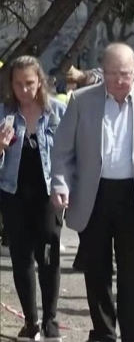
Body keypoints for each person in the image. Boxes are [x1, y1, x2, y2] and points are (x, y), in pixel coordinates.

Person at [51, 42, 134, 342]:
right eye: (113, 73)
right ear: (102, 72)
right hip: (94, 194)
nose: (120, 79)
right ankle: (104, 332)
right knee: (96, 268)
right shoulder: (81, 100)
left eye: (126, 73)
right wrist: (60, 184)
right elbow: (63, 150)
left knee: (132, 269)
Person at [0, 55, 66, 342]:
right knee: (21, 258)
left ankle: (50, 320)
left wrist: (66, 187)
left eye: (29, 83)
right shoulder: (3, 113)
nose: (24, 90)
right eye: (18, 84)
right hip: (13, 194)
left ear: (40, 81)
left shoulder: (57, 112)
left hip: (47, 195)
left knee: (49, 257)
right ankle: (31, 322)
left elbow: (68, 155)